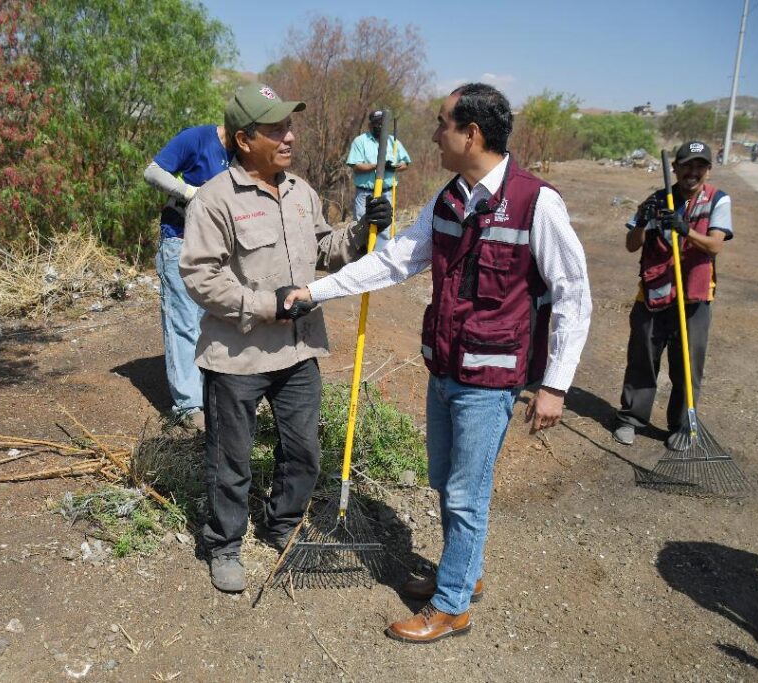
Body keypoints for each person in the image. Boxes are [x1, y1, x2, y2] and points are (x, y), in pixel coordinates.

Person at [283, 83, 592, 643]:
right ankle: (463, 574)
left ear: (471, 134)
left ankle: (452, 607)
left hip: (491, 379)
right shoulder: (451, 197)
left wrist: (556, 386)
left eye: (442, 123)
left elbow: (573, 295)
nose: (433, 134)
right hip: (445, 368)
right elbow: (398, 259)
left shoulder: (536, 203)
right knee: (448, 484)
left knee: (468, 492)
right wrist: (319, 289)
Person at [180, 83, 392, 593]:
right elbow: (201, 277)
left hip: (299, 351)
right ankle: (225, 544)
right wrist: (265, 304)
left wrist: (364, 231)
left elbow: (326, 248)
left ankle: (282, 525)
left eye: (289, 127)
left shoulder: (301, 192)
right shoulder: (214, 201)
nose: (289, 137)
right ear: (244, 139)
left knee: (304, 451)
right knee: (230, 459)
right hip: (238, 355)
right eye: (276, 129)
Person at [612, 141, 732, 449]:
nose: (693, 172)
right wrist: (643, 221)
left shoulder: (717, 200)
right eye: (687, 165)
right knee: (642, 361)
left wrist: (685, 230)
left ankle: (681, 426)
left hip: (693, 299)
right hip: (652, 297)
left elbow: (716, 244)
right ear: (675, 168)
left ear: (708, 169)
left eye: (700, 166)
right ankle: (631, 419)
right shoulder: (656, 199)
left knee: (688, 365)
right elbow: (631, 244)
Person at [143, 124, 232, 430]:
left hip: (220, 249)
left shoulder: (248, 153)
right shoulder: (197, 139)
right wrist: (190, 193)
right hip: (180, 240)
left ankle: (216, 395)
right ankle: (190, 404)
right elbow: (153, 172)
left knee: (212, 321)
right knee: (183, 321)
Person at [347, 110, 411, 249]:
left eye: (382, 123)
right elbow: (356, 165)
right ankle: (360, 257)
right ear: (370, 125)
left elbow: (405, 164)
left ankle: (379, 259)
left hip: (386, 192)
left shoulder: (393, 142)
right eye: (376, 123)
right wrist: (378, 165)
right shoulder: (360, 141)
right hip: (365, 193)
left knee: (384, 226)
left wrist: (393, 167)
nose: (380, 126)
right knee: (361, 225)